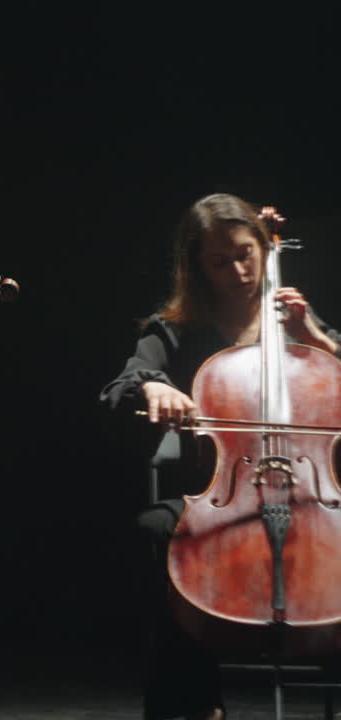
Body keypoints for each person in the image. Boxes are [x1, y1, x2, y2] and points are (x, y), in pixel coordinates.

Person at [100, 192, 341, 720]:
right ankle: (195, 701)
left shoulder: (295, 321)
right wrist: (154, 387)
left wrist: (316, 339)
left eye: (245, 254)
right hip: (220, 500)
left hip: (313, 499)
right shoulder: (176, 329)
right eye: (219, 261)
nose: (238, 271)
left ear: (263, 248)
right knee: (154, 531)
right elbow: (120, 387)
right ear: (197, 268)